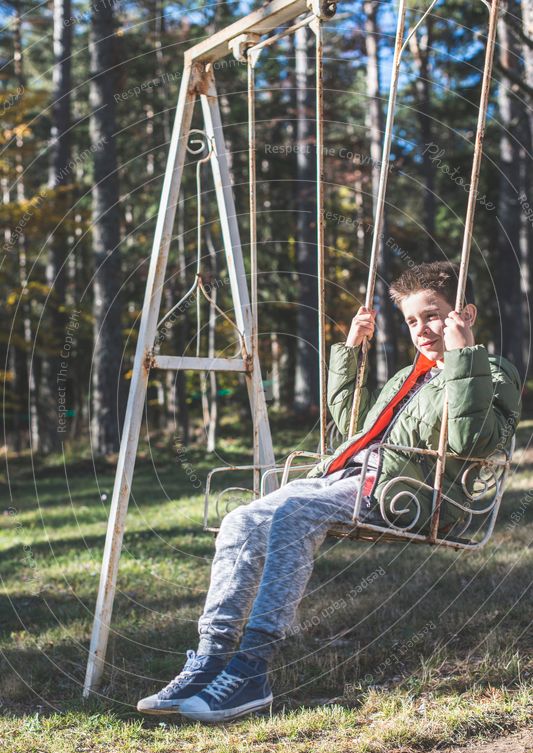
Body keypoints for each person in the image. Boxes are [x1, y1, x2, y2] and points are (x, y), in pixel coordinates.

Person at [136, 261, 521, 723]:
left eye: (433, 315)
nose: (423, 329)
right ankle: (210, 659)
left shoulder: (494, 372)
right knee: (241, 520)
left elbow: (469, 441)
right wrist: (351, 353)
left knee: (295, 512)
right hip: (346, 476)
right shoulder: (408, 377)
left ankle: (251, 668)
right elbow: (354, 428)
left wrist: (464, 358)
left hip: (405, 493)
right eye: (413, 320)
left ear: (465, 315)